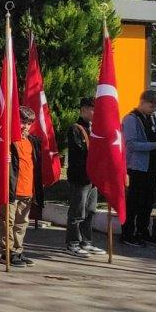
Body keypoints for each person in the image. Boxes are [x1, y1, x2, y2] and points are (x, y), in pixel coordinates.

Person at [1, 107, 41, 267]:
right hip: (12, 189)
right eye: (22, 122)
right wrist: (4, 158)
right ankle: (7, 252)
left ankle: (18, 250)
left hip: (27, 189)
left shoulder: (32, 141)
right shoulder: (8, 141)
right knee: (8, 222)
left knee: (21, 223)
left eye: (29, 123)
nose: (25, 126)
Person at [121, 89, 156, 247]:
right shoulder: (131, 119)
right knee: (133, 203)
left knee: (147, 202)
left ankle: (143, 232)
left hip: (151, 168)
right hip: (137, 168)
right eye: (151, 106)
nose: (154, 110)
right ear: (142, 102)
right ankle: (127, 234)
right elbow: (131, 144)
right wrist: (155, 145)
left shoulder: (152, 118)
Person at [65, 98, 103, 257]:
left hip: (93, 178)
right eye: (92, 109)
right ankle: (72, 243)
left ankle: (86, 242)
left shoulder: (96, 129)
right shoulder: (76, 129)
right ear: (83, 110)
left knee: (90, 211)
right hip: (80, 177)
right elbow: (81, 152)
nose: (95, 113)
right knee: (77, 212)